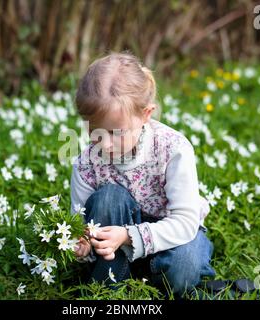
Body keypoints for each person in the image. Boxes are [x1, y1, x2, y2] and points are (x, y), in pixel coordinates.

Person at [70, 51, 216, 298]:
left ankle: (145, 273)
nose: (104, 144)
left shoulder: (173, 149)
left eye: (117, 133)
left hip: (172, 236)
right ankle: (109, 285)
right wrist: (82, 243)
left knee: (184, 267)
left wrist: (128, 236)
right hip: (113, 248)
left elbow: (185, 222)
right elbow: (79, 223)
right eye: (95, 131)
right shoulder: (86, 164)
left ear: (146, 114)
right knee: (108, 198)